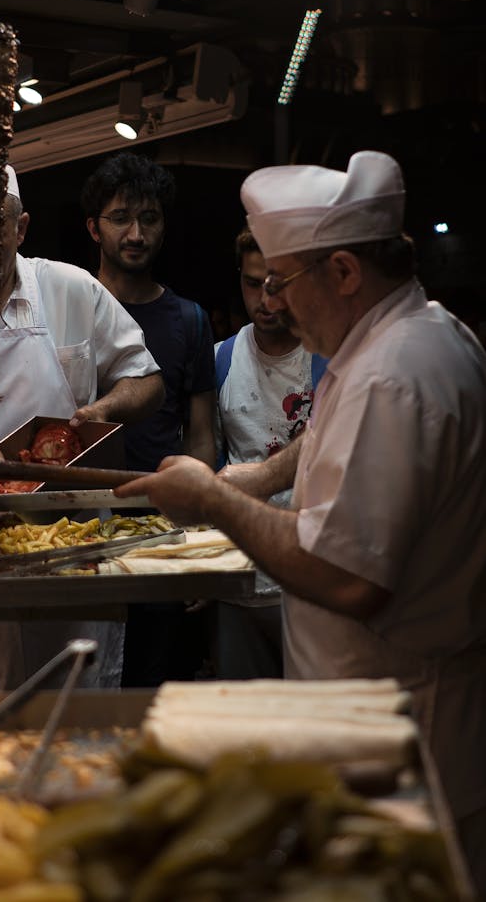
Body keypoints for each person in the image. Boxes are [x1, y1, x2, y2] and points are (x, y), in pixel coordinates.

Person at [113, 150, 486, 895]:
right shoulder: (418, 331)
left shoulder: (392, 373)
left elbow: (348, 578)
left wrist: (218, 501)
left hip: (402, 728)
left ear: (345, 272)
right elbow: (334, 438)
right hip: (376, 713)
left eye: (284, 281)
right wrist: (263, 473)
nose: (275, 302)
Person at [0, 164, 164, 693]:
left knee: (64, 705)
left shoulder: (69, 289)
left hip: (59, 542)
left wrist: (102, 411)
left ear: (19, 228)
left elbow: (146, 380)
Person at [81, 150, 216, 684]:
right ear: (94, 228)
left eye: (149, 219)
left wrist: (200, 542)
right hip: (77, 528)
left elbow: (201, 436)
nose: (135, 234)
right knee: (78, 682)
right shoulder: (69, 305)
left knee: (150, 687)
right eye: (120, 219)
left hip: (158, 532)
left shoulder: (189, 319)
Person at [212, 226, 314, 678]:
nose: (265, 300)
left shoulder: (328, 359)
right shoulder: (222, 358)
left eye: (276, 285)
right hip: (239, 580)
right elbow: (211, 459)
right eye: (253, 284)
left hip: (310, 581)